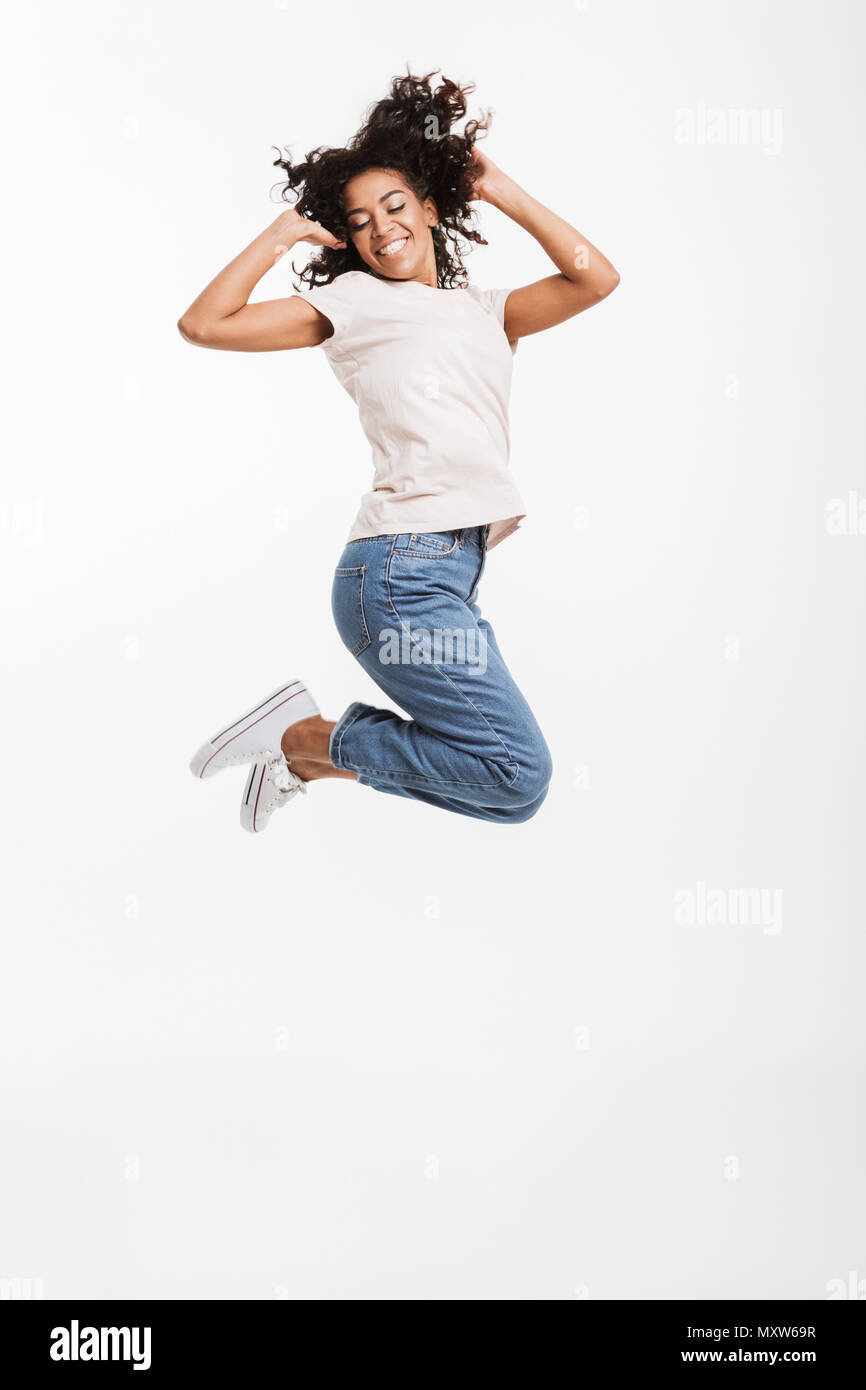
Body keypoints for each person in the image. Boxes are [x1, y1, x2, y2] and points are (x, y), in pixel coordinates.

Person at [178, 71, 619, 833]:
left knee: (516, 792)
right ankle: (304, 739)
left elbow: (595, 277)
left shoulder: (488, 313)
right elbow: (205, 324)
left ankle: (310, 750)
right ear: (348, 239)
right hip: (398, 573)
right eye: (358, 221)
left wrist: (501, 188)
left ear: (430, 209)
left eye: (394, 205)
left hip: (450, 575)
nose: (381, 228)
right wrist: (282, 233)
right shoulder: (350, 305)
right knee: (517, 767)